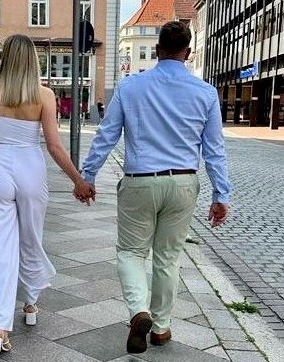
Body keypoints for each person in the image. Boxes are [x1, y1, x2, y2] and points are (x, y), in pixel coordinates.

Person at [75, 20, 231, 355]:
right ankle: (160, 327)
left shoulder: (131, 87)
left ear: (158, 50)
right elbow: (214, 150)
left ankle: (138, 311)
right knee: (168, 257)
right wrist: (221, 195)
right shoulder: (205, 93)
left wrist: (88, 176)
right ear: (188, 53)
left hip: (140, 182)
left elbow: (107, 134)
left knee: (131, 252)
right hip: (184, 181)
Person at [0, 34, 95, 354]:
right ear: (33, 60)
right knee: (31, 238)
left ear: (5, 58)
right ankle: (29, 304)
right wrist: (78, 181)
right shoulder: (44, 95)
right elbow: (54, 146)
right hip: (30, 165)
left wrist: (1, 163)